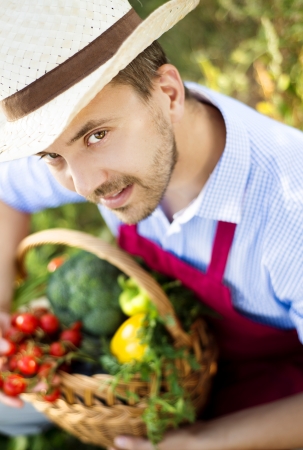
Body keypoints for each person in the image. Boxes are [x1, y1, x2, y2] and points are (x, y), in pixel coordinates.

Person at [1, 0, 303, 448]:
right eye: (53, 156)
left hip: (274, 401)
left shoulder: (289, 210)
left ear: (169, 94)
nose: (85, 185)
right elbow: (6, 192)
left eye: (96, 135)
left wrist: (201, 442)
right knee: (11, 416)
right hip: (164, 373)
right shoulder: (103, 159)